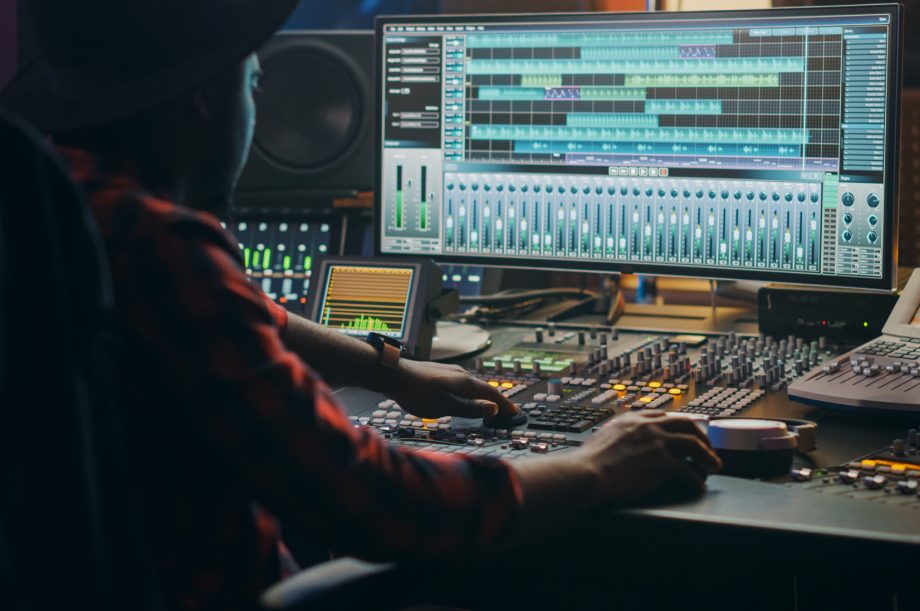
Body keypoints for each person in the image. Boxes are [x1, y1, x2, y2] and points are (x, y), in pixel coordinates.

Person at [1, 2, 720, 610]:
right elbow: (380, 500)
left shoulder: (61, 205)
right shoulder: (164, 244)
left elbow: (245, 319)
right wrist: (595, 465)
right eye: (254, 85)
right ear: (206, 98)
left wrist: (392, 372)